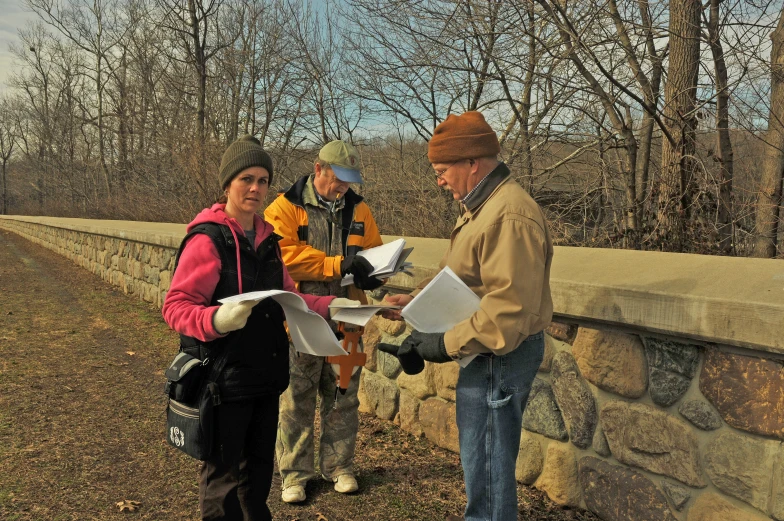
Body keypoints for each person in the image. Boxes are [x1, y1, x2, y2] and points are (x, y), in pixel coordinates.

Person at [162, 135, 357, 521]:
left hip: (266, 379)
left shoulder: (270, 240)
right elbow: (175, 308)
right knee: (223, 486)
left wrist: (335, 306)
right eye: (246, 179)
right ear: (228, 184)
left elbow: (290, 299)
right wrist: (216, 320)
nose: (255, 188)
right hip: (222, 383)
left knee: (258, 482)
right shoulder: (208, 240)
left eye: (263, 180)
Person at [379, 112, 554, 521]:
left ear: (472, 162)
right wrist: (416, 302)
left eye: (442, 170)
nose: (438, 180)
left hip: (497, 357)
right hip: (487, 354)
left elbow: (507, 313)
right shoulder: (483, 206)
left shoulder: (509, 215)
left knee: (489, 470)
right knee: (481, 462)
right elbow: (463, 281)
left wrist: (444, 343)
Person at [264, 139, 384, 503]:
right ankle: (294, 475)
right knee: (296, 399)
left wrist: (373, 274)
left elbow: (374, 252)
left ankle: (339, 467)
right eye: (339, 178)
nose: (345, 186)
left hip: (349, 322)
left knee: (343, 399)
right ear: (318, 169)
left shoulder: (360, 210)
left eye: (350, 179)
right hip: (300, 321)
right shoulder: (284, 208)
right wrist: (336, 264)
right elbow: (282, 257)